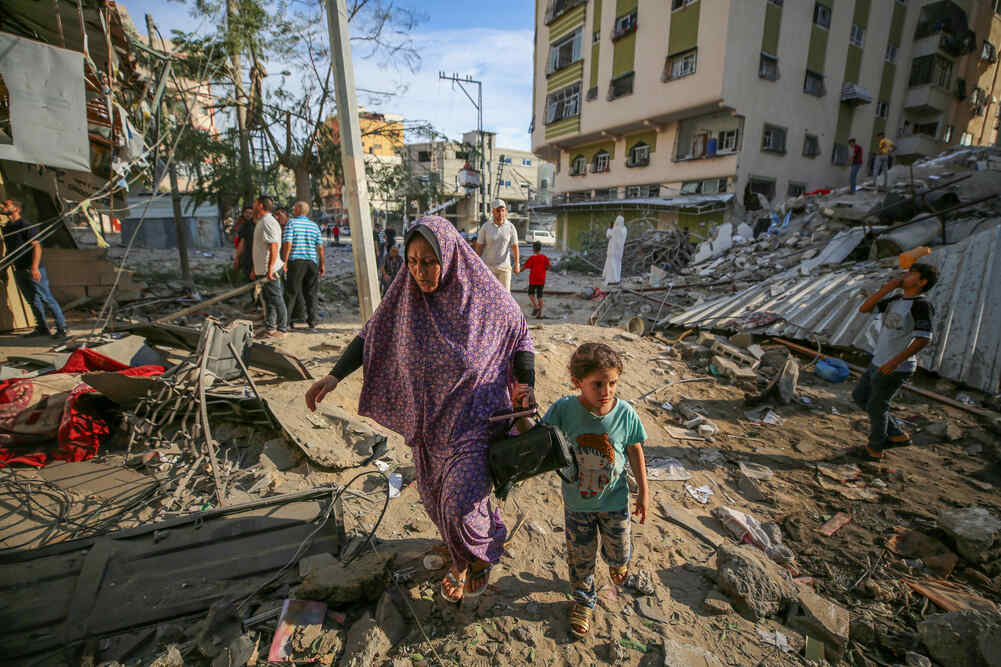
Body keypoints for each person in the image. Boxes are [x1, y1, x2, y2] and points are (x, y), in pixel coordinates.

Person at [304, 216, 535, 603]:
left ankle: (476, 560)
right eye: (412, 261)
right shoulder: (404, 299)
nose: (420, 271)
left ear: (449, 256)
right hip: (429, 427)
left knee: (460, 506)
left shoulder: (486, 297)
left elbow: (520, 335)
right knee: (434, 500)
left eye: (429, 261)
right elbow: (370, 337)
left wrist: (524, 387)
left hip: (474, 425)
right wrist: (334, 377)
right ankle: (465, 550)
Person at [542, 343, 648, 638]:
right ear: (578, 382)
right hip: (577, 505)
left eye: (612, 383)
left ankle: (617, 562)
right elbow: (540, 436)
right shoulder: (564, 409)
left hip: (615, 502)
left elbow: (635, 450)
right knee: (581, 557)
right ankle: (584, 602)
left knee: (619, 549)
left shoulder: (625, 413)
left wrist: (643, 492)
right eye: (597, 384)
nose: (606, 391)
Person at [850, 263, 938, 462]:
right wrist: (887, 289)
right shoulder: (897, 299)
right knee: (860, 397)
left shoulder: (921, 305)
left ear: (922, 282)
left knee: (877, 407)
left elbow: (924, 339)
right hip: (878, 361)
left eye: (912, 274)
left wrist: (895, 362)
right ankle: (897, 435)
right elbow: (865, 309)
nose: (905, 275)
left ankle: (875, 449)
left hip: (896, 367)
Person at [2, 199, 67, 338]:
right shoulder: (7, 227)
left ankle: (62, 328)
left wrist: (35, 267)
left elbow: (36, 246)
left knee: (46, 298)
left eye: (7, 205)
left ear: (17, 208)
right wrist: (5, 267)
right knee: (32, 300)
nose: (3, 207)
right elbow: (11, 250)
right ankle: (42, 328)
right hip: (19, 269)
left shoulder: (25, 225)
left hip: (32, 269)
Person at [282, 201, 324, 330]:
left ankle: (286, 323)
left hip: (296, 261)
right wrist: (322, 263)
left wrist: (284, 261)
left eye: (294, 209)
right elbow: (320, 247)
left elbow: (288, 243)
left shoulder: (291, 223)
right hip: (312, 262)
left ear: (297, 210)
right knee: (311, 293)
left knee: (291, 292)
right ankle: (312, 322)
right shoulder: (314, 226)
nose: (292, 211)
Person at [250, 196, 288, 338]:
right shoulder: (263, 221)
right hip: (264, 269)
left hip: (269, 269)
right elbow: (261, 248)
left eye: (255, 203)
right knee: (268, 299)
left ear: (260, 205)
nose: (253, 206)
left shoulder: (268, 222)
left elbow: (274, 246)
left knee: (276, 298)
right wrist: (255, 269)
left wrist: (270, 268)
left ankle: (283, 329)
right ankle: (270, 328)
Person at [474, 199, 520, 291]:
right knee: (489, 295)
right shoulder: (485, 227)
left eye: (503, 210)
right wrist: (474, 264)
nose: (500, 213)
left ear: (505, 211)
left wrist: (517, 264)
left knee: (505, 296)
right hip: (488, 268)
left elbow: (515, 246)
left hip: (504, 268)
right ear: (493, 212)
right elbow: (479, 247)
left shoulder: (510, 227)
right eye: (498, 210)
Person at [521, 241, 551, 319]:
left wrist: (517, 270)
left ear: (533, 249)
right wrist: (544, 269)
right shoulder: (544, 257)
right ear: (540, 249)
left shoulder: (532, 258)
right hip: (541, 279)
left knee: (531, 294)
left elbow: (524, 267)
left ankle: (536, 306)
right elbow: (549, 266)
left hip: (533, 279)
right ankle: (540, 315)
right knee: (540, 296)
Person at [602, 216, 627, 285]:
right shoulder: (624, 229)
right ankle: (617, 278)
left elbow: (608, 235)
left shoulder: (615, 229)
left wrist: (610, 228)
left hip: (612, 251)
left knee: (612, 265)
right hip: (620, 251)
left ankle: (612, 279)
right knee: (618, 265)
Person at [233, 206, 255, 281]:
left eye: (250, 213)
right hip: (246, 254)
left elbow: (242, 242)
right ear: (243, 213)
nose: (248, 215)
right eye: (246, 212)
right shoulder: (242, 223)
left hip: (249, 255)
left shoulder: (249, 225)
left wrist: (237, 257)